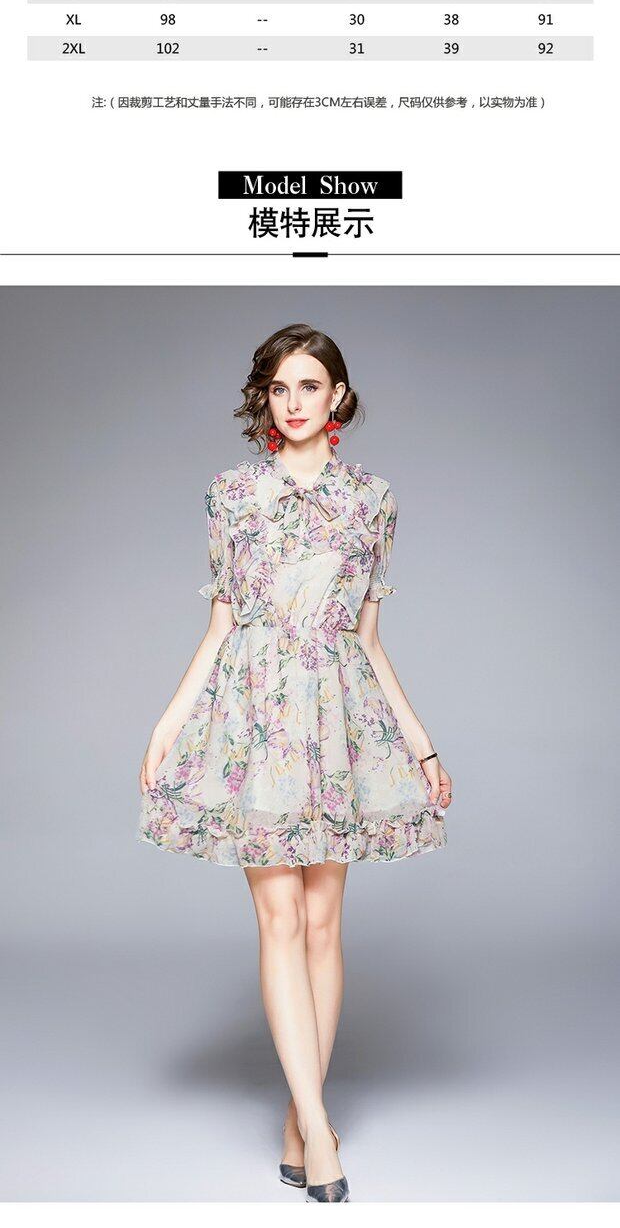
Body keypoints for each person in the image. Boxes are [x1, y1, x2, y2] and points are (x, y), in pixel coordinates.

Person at [137, 323, 452, 1202]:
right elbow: (221, 626)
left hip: (338, 719)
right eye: (279, 388)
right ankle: (319, 1129)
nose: (294, 402)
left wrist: (420, 742)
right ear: (265, 399)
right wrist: (167, 723)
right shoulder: (232, 494)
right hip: (254, 719)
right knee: (278, 918)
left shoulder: (373, 500)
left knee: (322, 923)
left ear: (338, 396)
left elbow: (368, 640)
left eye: (310, 385)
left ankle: (296, 1113)